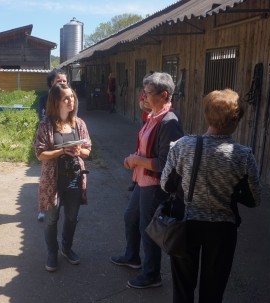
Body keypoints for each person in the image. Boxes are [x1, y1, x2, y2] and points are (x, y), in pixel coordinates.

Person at [161, 89, 261, 303]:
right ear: (236, 120)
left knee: (182, 289)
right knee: (213, 292)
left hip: (185, 226)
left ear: (206, 115)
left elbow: (166, 185)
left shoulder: (181, 146)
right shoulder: (244, 156)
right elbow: (255, 199)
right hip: (222, 230)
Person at [111, 72, 184, 288]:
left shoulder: (169, 122)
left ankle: (152, 274)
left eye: (148, 93)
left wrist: (135, 160)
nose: (144, 96)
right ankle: (132, 256)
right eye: (143, 92)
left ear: (164, 95)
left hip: (154, 184)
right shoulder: (154, 115)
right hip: (142, 180)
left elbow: (164, 163)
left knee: (147, 227)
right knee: (130, 217)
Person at [34, 83, 92, 272]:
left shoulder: (79, 123)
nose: (71, 101)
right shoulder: (46, 125)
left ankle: (67, 248)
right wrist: (62, 151)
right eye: (66, 98)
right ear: (56, 101)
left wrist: (78, 151)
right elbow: (40, 154)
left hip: (74, 177)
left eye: (72, 97)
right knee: (52, 218)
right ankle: (52, 252)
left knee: (72, 217)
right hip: (53, 180)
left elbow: (87, 151)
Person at [36, 68, 68, 222]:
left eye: (64, 81)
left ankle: (67, 211)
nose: (62, 83)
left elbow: (73, 118)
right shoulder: (44, 99)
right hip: (48, 138)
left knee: (66, 177)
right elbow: (43, 117)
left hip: (66, 137)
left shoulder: (70, 98)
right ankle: (43, 209)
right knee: (47, 177)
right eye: (58, 81)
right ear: (51, 83)